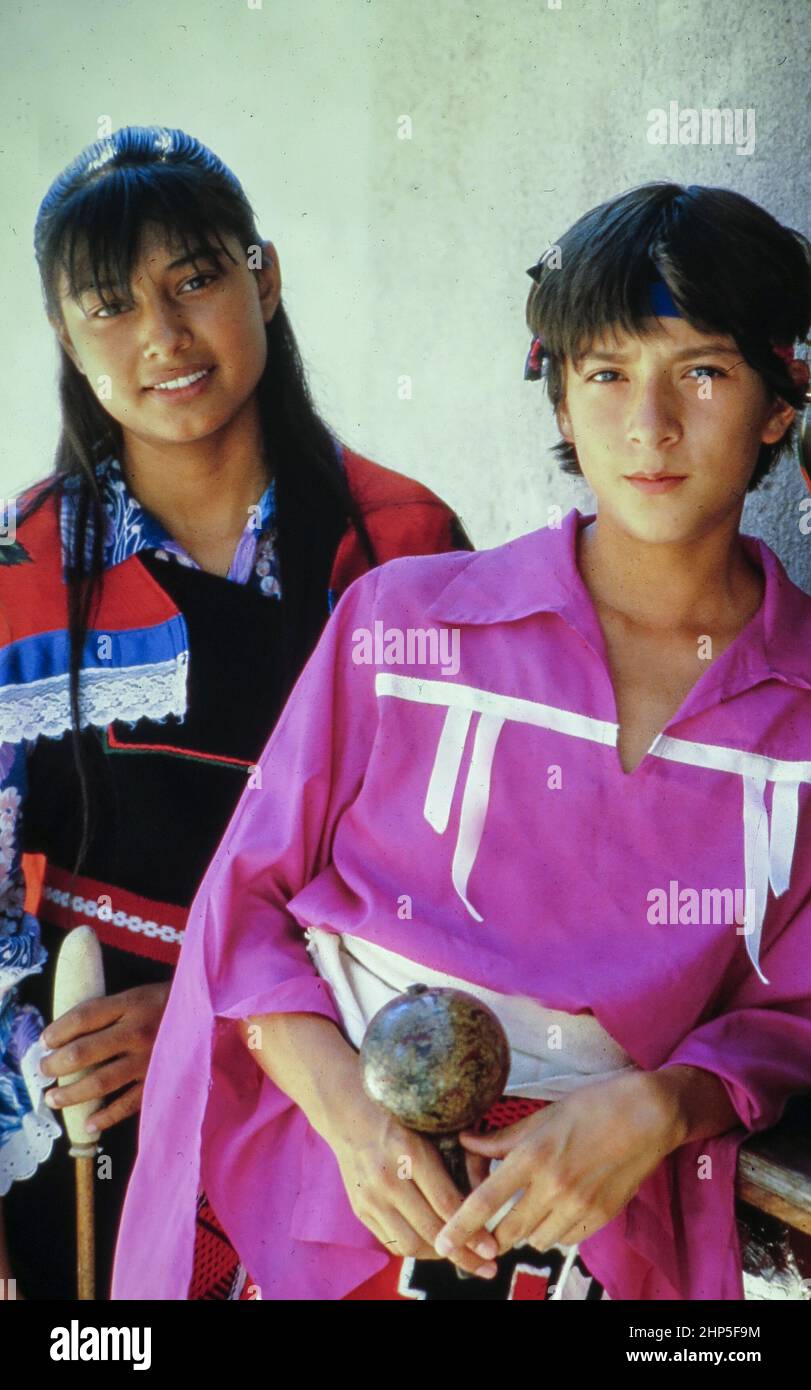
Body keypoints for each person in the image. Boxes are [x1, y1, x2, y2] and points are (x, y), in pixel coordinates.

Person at [112, 182, 811, 1302]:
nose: (649, 426)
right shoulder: (403, 623)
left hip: (597, 1226)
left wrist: (658, 1103)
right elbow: (243, 908)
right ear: (559, 400)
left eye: (703, 372)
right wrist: (347, 1114)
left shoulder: (801, 710)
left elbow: (793, 1014)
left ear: (781, 400)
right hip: (324, 1196)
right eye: (607, 373)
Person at [0, 124, 471, 1301]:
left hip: (330, 1113)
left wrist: (214, 1013)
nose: (161, 336)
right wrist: (52, 1057)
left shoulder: (401, 551)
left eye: (196, 279)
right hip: (72, 1122)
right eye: (109, 305)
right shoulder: (14, 573)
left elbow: (448, 886)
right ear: (65, 336)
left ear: (263, 276)